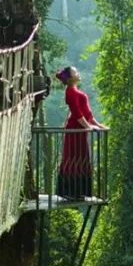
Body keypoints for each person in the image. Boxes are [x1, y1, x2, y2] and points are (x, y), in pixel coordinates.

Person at [55, 66, 105, 199]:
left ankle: (79, 192)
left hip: (81, 130)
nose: (78, 73)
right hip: (74, 130)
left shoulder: (76, 91)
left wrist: (98, 125)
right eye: (75, 72)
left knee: (81, 157)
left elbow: (87, 114)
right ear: (71, 78)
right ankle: (70, 192)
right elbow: (77, 113)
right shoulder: (70, 92)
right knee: (73, 157)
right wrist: (89, 127)